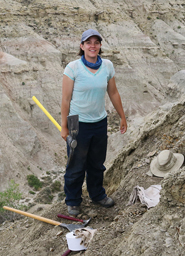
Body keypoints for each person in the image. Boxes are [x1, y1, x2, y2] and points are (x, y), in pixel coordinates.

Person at [60, 29, 127, 216]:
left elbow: (113, 92)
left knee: (97, 163)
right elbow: (65, 100)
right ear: (82, 46)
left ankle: (97, 195)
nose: (92, 46)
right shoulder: (72, 68)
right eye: (88, 42)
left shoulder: (107, 66)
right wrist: (64, 126)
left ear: (100, 46)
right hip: (76, 123)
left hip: (99, 121)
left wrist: (122, 116)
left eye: (96, 42)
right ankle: (73, 201)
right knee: (76, 165)